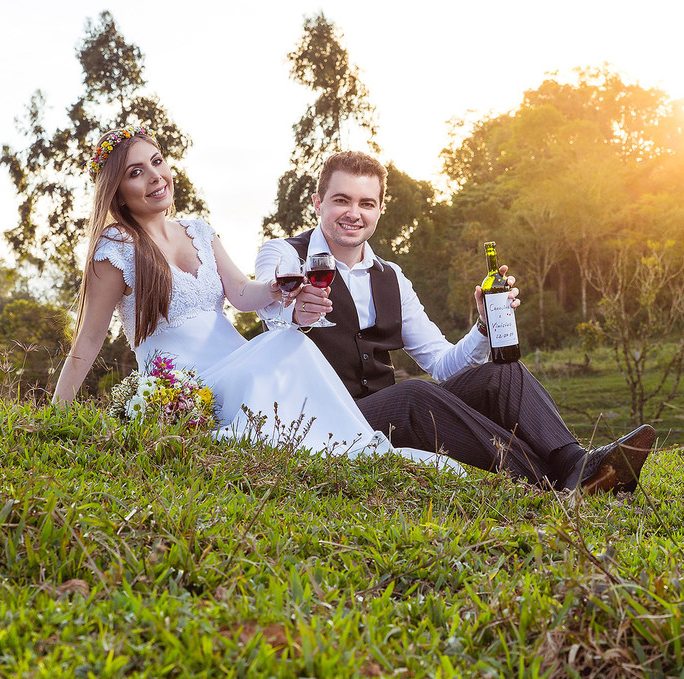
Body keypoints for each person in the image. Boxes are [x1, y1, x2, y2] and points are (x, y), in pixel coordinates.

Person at [51, 126, 459, 471]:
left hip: (235, 363)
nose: (155, 177)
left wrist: (279, 288)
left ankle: (352, 444)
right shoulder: (115, 249)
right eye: (135, 173)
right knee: (285, 343)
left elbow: (244, 293)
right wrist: (58, 418)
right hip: (185, 384)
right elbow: (89, 338)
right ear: (118, 192)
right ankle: (342, 447)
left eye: (157, 162)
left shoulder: (198, 230)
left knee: (288, 340)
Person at [255, 151, 656, 493]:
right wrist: (293, 310)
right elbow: (267, 301)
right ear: (317, 202)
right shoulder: (286, 254)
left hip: (383, 410)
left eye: (366, 203)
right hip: (323, 417)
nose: (353, 214)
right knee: (414, 394)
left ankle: (575, 459)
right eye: (341, 200)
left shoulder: (391, 276)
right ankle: (557, 481)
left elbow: (443, 363)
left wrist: (483, 326)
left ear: (380, 209)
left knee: (504, 370)